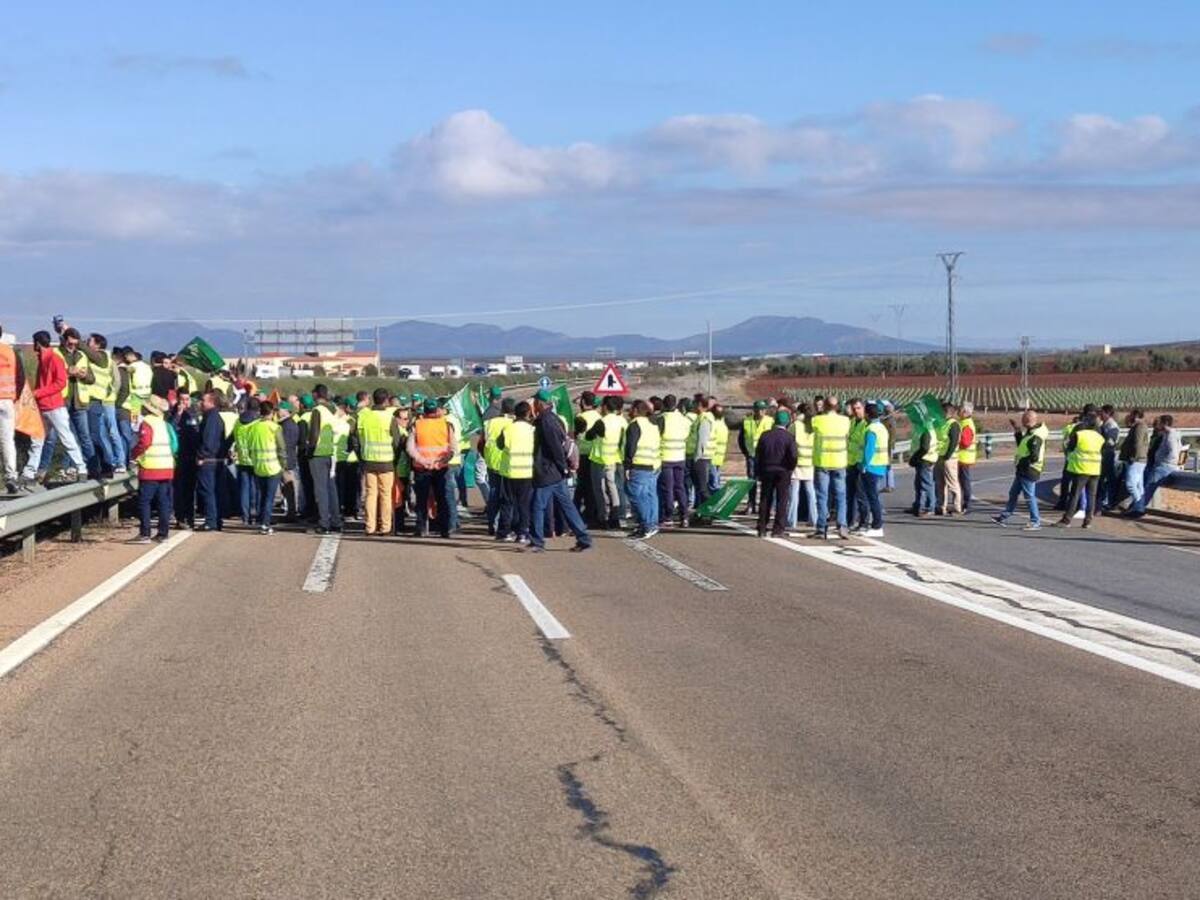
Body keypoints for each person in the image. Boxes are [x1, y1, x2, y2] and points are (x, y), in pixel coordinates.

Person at [529, 389, 592, 553]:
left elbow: (555, 447)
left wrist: (563, 467)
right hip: (555, 472)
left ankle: (537, 542)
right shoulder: (553, 418)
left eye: (535, 402)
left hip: (548, 470)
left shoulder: (546, 421)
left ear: (540, 403)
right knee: (567, 506)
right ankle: (583, 538)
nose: (534, 405)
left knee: (537, 505)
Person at [21, 330, 85, 486]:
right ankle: (29, 473)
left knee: (66, 438)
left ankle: (81, 469)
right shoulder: (44, 359)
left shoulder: (54, 359)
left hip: (54, 407)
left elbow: (60, 383)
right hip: (45, 406)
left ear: (37, 343)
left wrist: (37, 393)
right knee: (37, 440)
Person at [128, 395, 176, 544]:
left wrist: (134, 453)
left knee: (144, 501)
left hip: (151, 468)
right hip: (166, 467)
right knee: (163, 501)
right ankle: (163, 533)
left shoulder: (147, 423)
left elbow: (144, 442)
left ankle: (145, 533)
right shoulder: (163, 423)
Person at [993, 410, 1049, 530]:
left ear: (1028, 420)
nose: (1022, 421)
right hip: (1022, 469)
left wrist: (1022, 461)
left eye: (1023, 419)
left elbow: (1034, 456)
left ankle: (1035, 521)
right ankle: (1004, 516)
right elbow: (1022, 445)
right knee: (1013, 493)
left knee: (1029, 496)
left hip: (1029, 470)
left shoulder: (1036, 436)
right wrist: (1017, 431)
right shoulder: (1031, 432)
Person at [407, 398, 454, 538]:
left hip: (422, 468)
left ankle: (421, 528)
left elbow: (410, 448)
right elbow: (453, 448)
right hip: (441, 467)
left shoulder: (417, 424)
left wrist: (422, 460)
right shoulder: (446, 425)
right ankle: (444, 529)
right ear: (436, 410)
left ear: (425, 410)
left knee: (422, 499)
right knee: (442, 499)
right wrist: (442, 460)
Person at [357, 387, 399, 536]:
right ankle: (385, 527)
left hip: (369, 460)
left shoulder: (365, 416)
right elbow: (396, 441)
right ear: (386, 400)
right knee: (386, 495)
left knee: (370, 494)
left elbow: (359, 437)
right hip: (386, 461)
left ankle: (369, 526)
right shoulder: (390, 417)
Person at [809, 395, 850, 540]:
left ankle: (821, 528)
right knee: (841, 496)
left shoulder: (817, 420)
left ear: (824, 406)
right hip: (839, 462)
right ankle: (842, 525)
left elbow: (809, 429)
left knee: (822, 496)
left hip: (823, 462)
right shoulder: (845, 421)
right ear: (838, 406)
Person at [307, 385, 346, 535]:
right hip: (330, 452)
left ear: (316, 394)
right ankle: (336, 521)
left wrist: (310, 450)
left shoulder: (318, 410)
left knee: (321, 489)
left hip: (318, 453)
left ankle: (324, 523)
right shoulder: (333, 409)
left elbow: (315, 432)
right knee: (331, 488)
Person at [495, 401, 536, 543]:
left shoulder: (508, 429)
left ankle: (505, 532)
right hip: (526, 472)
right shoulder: (532, 430)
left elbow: (499, 445)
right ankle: (522, 533)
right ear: (528, 413)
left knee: (507, 503)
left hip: (509, 472)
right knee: (524, 504)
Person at [585, 395, 628, 529]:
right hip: (614, 459)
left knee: (600, 490)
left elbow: (588, 436)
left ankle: (602, 517)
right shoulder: (622, 421)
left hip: (599, 460)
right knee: (613, 487)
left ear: (605, 407)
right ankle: (615, 516)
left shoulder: (601, 422)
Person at [245, 399, 286, 534]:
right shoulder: (274, 427)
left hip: (258, 466)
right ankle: (265, 524)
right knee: (269, 498)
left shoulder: (253, 427)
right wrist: (283, 465)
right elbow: (281, 448)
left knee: (262, 496)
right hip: (273, 466)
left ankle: (262, 519)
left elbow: (249, 447)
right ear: (272, 412)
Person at [755, 410, 798, 538]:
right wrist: (790, 468)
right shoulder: (789, 437)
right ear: (787, 423)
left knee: (765, 498)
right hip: (783, 471)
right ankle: (778, 529)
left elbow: (758, 455)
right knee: (782, 500)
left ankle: (762, 526)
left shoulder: (765, 435)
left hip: (767, 469)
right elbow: (793, 456)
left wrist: (759, 470)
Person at [1057, 414, 1104, 528]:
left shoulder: (1079, 434)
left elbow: (1070, 448)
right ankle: (1088, 521)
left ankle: (1067, 519)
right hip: (1095, 469)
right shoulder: (1099, 437)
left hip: (1081, 468)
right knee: (1091, 496)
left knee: (1075, 494)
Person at [623, 399, 660, 538]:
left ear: (637, 410)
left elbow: (630, 447)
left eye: (631, 409)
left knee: (636, 495)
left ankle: (646, 525)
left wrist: (627, 466)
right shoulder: (653, 424)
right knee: (649, 496)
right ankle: (651, 523)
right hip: (651, 463)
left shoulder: (635, 425)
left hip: (638, 464)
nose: (629, 411)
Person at [1132, 414, 1183, 517]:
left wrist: (1164, 462)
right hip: (1164, 465)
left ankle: (1138, 510)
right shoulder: (1168, 434)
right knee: (1148, 486)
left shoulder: (1170, 436)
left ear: (1165, 423)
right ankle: (1137, 508)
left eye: (1160, 422)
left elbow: (1173, 453)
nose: (1158, 424)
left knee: (1148, 487)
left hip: (1164, 466)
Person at [481, 398, 515, 534]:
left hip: (492, 462)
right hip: (506, 463)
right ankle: (505, 524)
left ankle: (492, 523)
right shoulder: (512, 423)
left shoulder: (489, 423)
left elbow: (482, 442)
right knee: (507, 496)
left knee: (494, 494)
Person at [657, 394, 691, 528]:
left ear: (664, 405)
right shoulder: (684, 419)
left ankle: (668, 516)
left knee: (668, 489)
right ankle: (684, 516)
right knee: (680, 487)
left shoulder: (662, 419)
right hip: (680, 456)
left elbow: (656, 437)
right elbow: (686, 436)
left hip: (666, 457)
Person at [856, 402, 889, 537]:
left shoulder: (871, 430)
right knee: (874, 496)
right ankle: (876, 524)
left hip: (871, 467)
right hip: (881, 466)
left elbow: (869, 450)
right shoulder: (881, 427)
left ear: (868, 414)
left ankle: (877, 525)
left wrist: (864, 465)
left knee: (871, 498)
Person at [0, 325, 26, 494]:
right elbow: (21, 377)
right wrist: (14, 395)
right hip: (7, 400)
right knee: (7, 440)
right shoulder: (11, 352)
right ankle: (11, 476)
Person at [194, 391, 226, 532]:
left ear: (212, 402)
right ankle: (215, 519)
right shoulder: (212, 417)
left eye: (204, 400)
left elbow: (209, 441)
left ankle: (211, 521)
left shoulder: (212, 418)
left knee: (208, 491)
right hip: (214, 459)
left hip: (209, 460)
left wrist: (201, 456)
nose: (201, 403)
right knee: (213, 491)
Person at [171, 389, 199, 530]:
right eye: (182, 399)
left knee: (190, 490)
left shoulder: (194, 414)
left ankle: (190, 517)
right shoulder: (173, 413)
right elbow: (171, 430)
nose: (185, 402)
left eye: (187, 399)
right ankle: (180, 518)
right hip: (179, 457)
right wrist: (178, 414)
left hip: (191, 456)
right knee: (179, 490)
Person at [574, 392, 603, 527]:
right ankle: (592, 514)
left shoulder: (580, 417)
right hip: (596, 454)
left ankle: (582, 514)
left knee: (583, 486)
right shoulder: (599, 416)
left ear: (584, 403)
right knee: (593, 487)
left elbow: (576, 435)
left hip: (583, 455)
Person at [786, 404, 816, 533]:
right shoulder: (815, 425)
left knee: (793, 493)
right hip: (811, 462)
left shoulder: (795, 425)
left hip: (796, 462)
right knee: (811, 493)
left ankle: (791, 520)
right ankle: (814, 519)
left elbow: (788, 442)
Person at [739, 401, 772, 514]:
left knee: (766, 481)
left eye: (762, 409)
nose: (760, 411)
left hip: (766, 456)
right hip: (752, 455)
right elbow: (741, 439)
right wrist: (746, 452)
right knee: (751, 480)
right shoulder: (747, 421)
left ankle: (765, 505)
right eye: (758, 409)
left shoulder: (770, 421)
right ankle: (751, 504)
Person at [233, 399, 260, 526]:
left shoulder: (238, 422)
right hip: (255, 459)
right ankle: (254, 513)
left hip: (242, 459)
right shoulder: (257, 422)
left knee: (244, 488)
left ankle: (245, 516)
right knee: (255, 487)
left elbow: (233, 438)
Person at [1117, 409, 1150, 516]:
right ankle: (1139, 507)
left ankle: (1139, 506)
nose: (1129, 416)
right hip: (1139, 459)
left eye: (1131, 415)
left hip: (1136, 460)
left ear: (1136, 415)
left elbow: (1138, 443)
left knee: (1130, 484)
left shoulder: (1139, 427)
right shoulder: (1138, 426)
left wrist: (1133, 456)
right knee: (1138, 485)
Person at [688, 396, 716, 514]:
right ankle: (701, 512)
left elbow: (702, 440)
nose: (693, 406)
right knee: (700, 488)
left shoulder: (705, 419)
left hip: (701, 458)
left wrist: (696, 457)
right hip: (700, 457)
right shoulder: (700, 418)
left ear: (700, 404)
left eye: (694, 403)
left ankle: (710, 511)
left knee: (702, 488)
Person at [277, 401, 304, 523]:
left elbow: (285, 445)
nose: (277, 412)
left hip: (286, 460)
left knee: (288, 487)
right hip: (290, 458)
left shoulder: (286, 426)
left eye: (279, 409)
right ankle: (291, 511)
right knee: (287, 487)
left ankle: (291, 512)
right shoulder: (291, 424)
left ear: (286, 411)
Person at [935, 402, 962, 516]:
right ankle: (941, 506)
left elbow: (954, 441)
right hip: (939, 456)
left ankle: (957, 507)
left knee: (952, 483)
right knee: (940, 484)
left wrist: (947, 455)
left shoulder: (953, 424)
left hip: (949, 458)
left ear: (947, 412)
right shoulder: (942, 423)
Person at [846, 399, 868, 530]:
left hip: (861, 463)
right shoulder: (852, 422)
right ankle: (850, 521)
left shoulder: (866, 424)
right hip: (851, 462)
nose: (856, 411)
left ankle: (863, 522)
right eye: (854, 408)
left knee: (861, 496)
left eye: (858, 408)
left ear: (863, 408)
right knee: (850, 495)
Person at [910, 421, 938, 518]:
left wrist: (914, 458)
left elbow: (924, 448)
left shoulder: (926, 430)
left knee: (926, 484)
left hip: (925, 459)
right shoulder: (928, 427)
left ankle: (930, 508)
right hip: (925, 459)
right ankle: (919, 506)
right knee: (919, 484)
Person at [1096, 404, 1121, 512]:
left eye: (1101, 412)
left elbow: (1110, 442)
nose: (1100, 414)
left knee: (1107, 479)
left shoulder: (1112, 426)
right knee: (1102, 480)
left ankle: (1109, 502)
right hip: (1103, 454)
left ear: (1107, 413)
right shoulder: (1105, 424)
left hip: (1108, 455)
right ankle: (1102, 502)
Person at [957, 402, 977, 513]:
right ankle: (963, 503)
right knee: (962, 481)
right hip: (963, 457)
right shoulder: (964, 422)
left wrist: (955, 442)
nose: (958, 412)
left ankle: (967, 504)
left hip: (964, 457)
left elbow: (965, 442)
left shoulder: (967, 424)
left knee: (964, 482)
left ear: (965, 412)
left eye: (960, 410)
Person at [709, 403, 729, 492]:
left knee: (713, 482)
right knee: (716, 479)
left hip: (712, 455)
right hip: (719, 456)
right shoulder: (723, 425)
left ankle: (715, 500)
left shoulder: (713, 424)